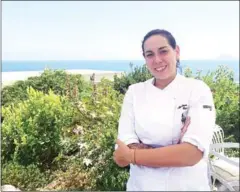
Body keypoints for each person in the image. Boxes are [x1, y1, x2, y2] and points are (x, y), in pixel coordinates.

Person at [113, 29, 216, 191]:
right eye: (150, 54)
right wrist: (176, 149)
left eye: (163, 51)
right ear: (145, 59)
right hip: (142, 186)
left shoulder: (197, 89)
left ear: (177, 52)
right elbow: (121, 156)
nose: (157, 60)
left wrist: (134, 154)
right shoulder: (134, 92)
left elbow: (191, 155)